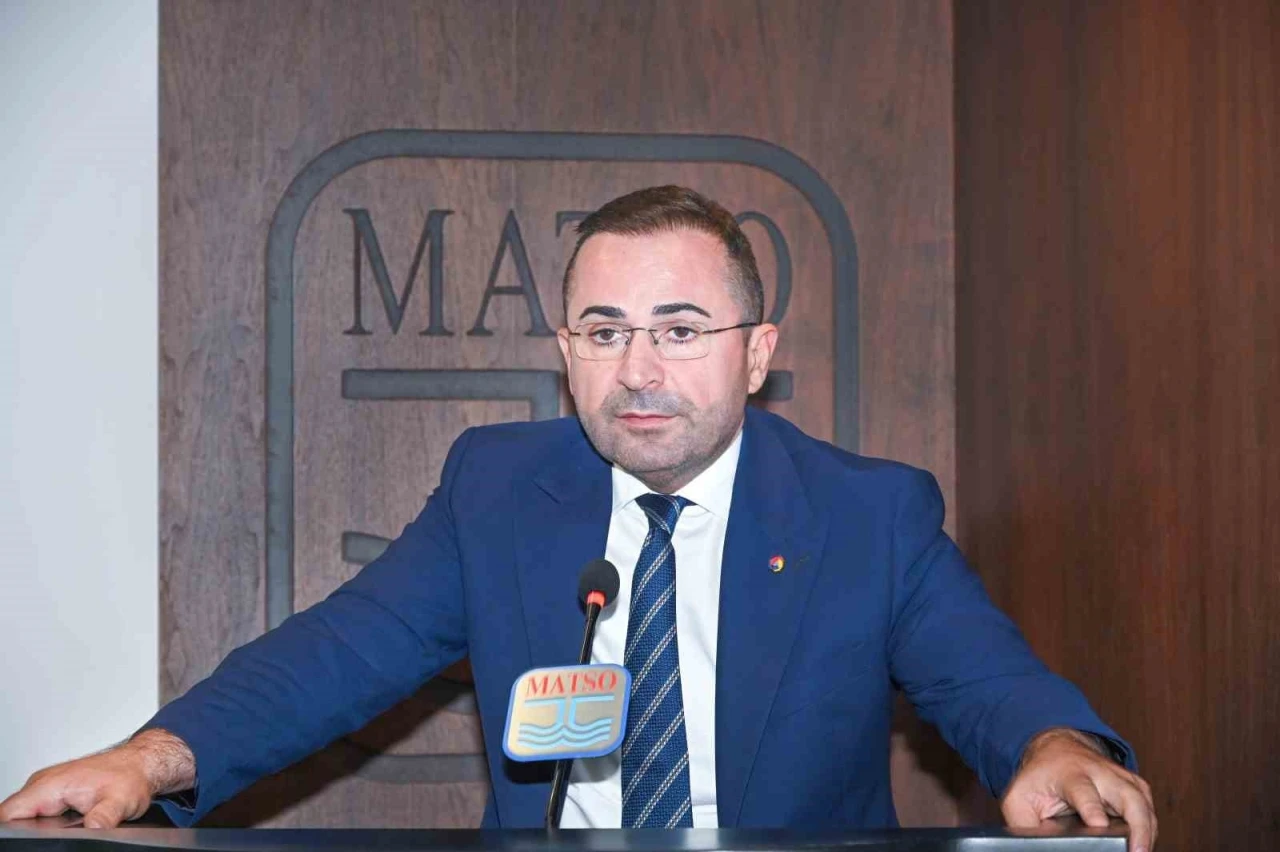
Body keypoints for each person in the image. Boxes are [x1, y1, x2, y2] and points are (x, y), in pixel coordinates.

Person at [0, 186, 1156, 850]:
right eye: (602, 333)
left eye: (679, 330)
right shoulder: (498, 491)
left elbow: (979, 675)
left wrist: (1055, 746)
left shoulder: (866, 513)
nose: (637, 369)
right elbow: (336, 655)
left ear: (756, 354)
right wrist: (148, 760)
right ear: (565, 352)